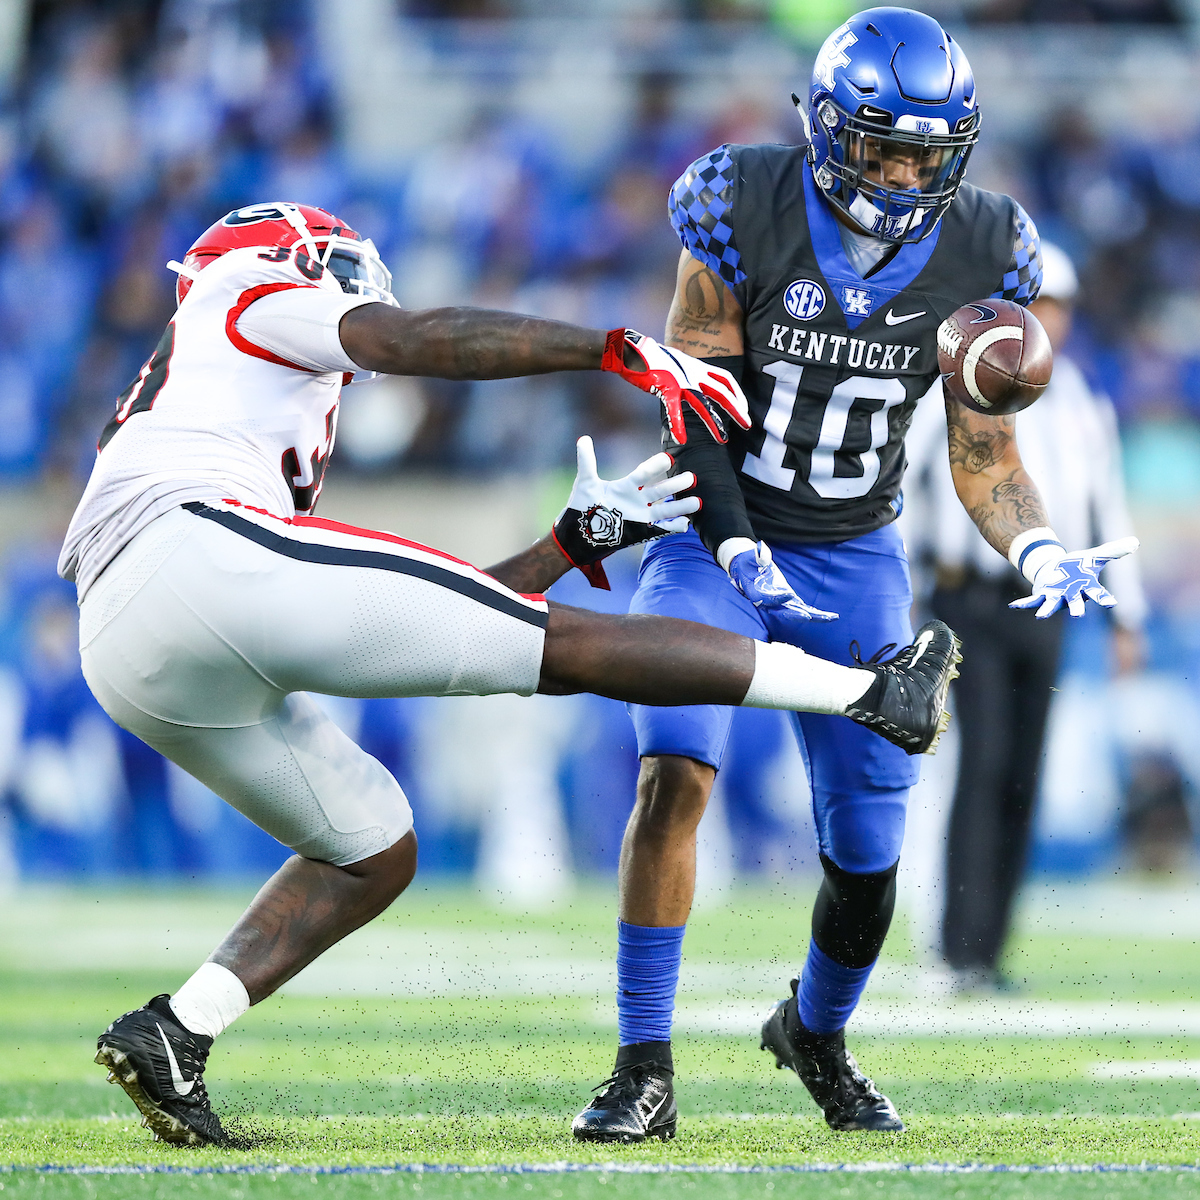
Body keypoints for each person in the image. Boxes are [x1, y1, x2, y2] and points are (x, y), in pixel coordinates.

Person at [73, 201, 962, 1147]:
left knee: (372, 844)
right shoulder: (242, 286)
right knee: (570, 647)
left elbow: (446, 631)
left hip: (132, 645)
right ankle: (873, 692)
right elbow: (410, 338)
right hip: (188, 548)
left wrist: (569, 544)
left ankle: (177, 1031)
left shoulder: (224, 401)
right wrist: (611, 347)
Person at [571, 6, 1139, 1143]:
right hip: (708, 533)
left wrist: (1033, 543)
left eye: (923, 150)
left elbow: (984, 454)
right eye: (879, 143)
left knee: (868, 852)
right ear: (828, 129)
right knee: (674, 778)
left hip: (856, 552)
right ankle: (643, 1063)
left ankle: (817, 1033)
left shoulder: (990, 247)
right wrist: (733, 548)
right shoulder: (740, 202)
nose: (898, 169)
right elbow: (692, 403)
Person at [902, 242, 1147, 992]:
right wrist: (902, 592)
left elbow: (1106, 502)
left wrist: (1127, 615)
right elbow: (907, 489)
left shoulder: (1080, 397)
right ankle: (957, 947)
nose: (1050, 321)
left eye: (1060, 307)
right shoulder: (959, 380)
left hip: (1048, 602)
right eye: (1039, 304)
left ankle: (991, 949)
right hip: (965, 592)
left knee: (1020, 775)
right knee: (981, 767)